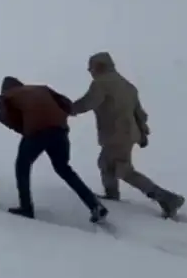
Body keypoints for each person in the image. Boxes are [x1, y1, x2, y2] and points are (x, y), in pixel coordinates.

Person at [70, 52, 184, 219]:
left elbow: (88, 103)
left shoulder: (101, 83)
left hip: (115, 134)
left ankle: (167, 198)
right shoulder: (128, 86)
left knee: (124, 170)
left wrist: (68, 109)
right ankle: (112, 195)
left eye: (91, 69)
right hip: (128, 134)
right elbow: (140, 113)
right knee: (106, 164)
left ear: (99, 66)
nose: (91, 72)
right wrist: (143, 132)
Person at [0, 76, 107, 223]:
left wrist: (26, 130)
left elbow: (5, 119)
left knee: (22, 166)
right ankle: (94, 205)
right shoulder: (41, 88)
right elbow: (66, 103)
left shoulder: (6, 96)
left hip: (37, 131)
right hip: (60, 129)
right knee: (64, 168)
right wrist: (60, 118)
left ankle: (26, 208)